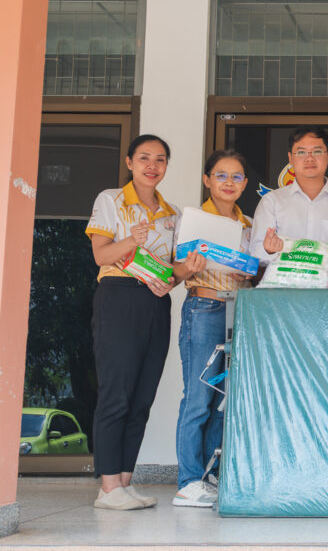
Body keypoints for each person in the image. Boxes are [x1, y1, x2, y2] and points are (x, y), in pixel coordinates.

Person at [85, 134, 199, 510]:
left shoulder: (173, 213)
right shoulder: (111, 200)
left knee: (141, 398)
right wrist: (131, 241)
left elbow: (172, 271)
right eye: (145, 158)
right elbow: (101, 255)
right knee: (115, 394)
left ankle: (124, 482)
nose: (153, 166)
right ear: (130, 162)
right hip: (118, 298)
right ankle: (107, 488)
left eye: (160, 159)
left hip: (155, 302)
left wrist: (184, 272)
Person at [171, 150, 253, 508]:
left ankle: (211, 474)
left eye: (236, 176)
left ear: (245, 183)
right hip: (204, 308)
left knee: (224, 398)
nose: (229, 183)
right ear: (207, 180)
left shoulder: (250, 225)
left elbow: (256, 272)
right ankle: (189, 481)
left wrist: (249, 271)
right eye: (221, 175)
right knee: (198, 397)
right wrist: (189, 267)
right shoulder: (193, 219)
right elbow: (175, 273)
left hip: (239, 312)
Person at [250, 126, 328, 288]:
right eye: (301, 152)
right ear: (290, 158)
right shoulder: (272, 201)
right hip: (282, 292)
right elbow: (256, 251)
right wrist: (269, 250)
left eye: (317, 151)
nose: (309, 158)